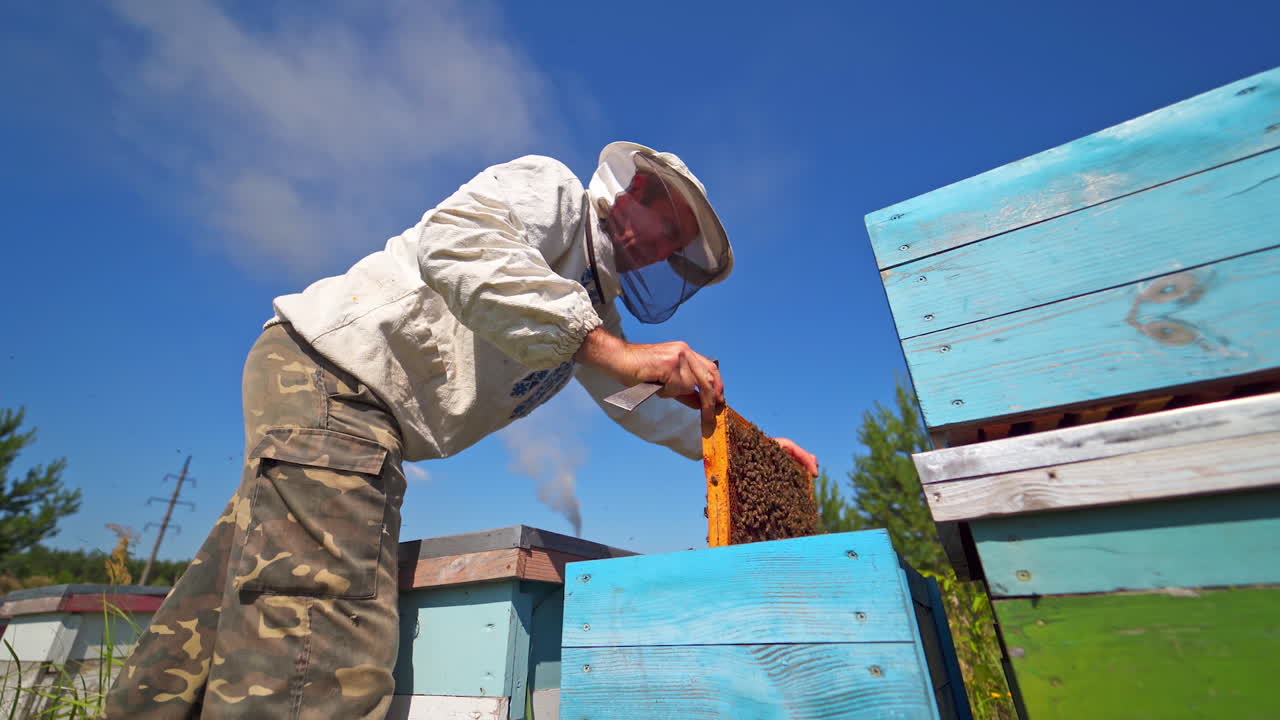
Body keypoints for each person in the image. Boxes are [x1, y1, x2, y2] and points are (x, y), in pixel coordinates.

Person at [104, 142, 818, 719]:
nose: (661, 250)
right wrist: (611, 350)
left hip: (349, 408)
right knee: (320, 650)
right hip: (336, 382)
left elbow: (636, 399)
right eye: (668, 226)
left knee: (219, 603)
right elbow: (458, 241)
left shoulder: (593, 311)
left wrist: (744, 445)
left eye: (677, 250)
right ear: (633, 193)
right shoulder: (554, 194)